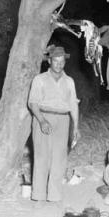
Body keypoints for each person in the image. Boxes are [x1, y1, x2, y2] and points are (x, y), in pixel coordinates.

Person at [28, 45, 80, 206]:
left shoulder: (69, 81)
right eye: (55, 61)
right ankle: (38, 195)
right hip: (43, 117)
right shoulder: (40, 79)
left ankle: (55, 196)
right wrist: (42, 120)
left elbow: (73, 104)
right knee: (42, 157)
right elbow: (32, 103)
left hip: (63, 120)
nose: (59, 64)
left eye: (62, 61)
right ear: (49, 61)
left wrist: (76, 127)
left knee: (59, 158)